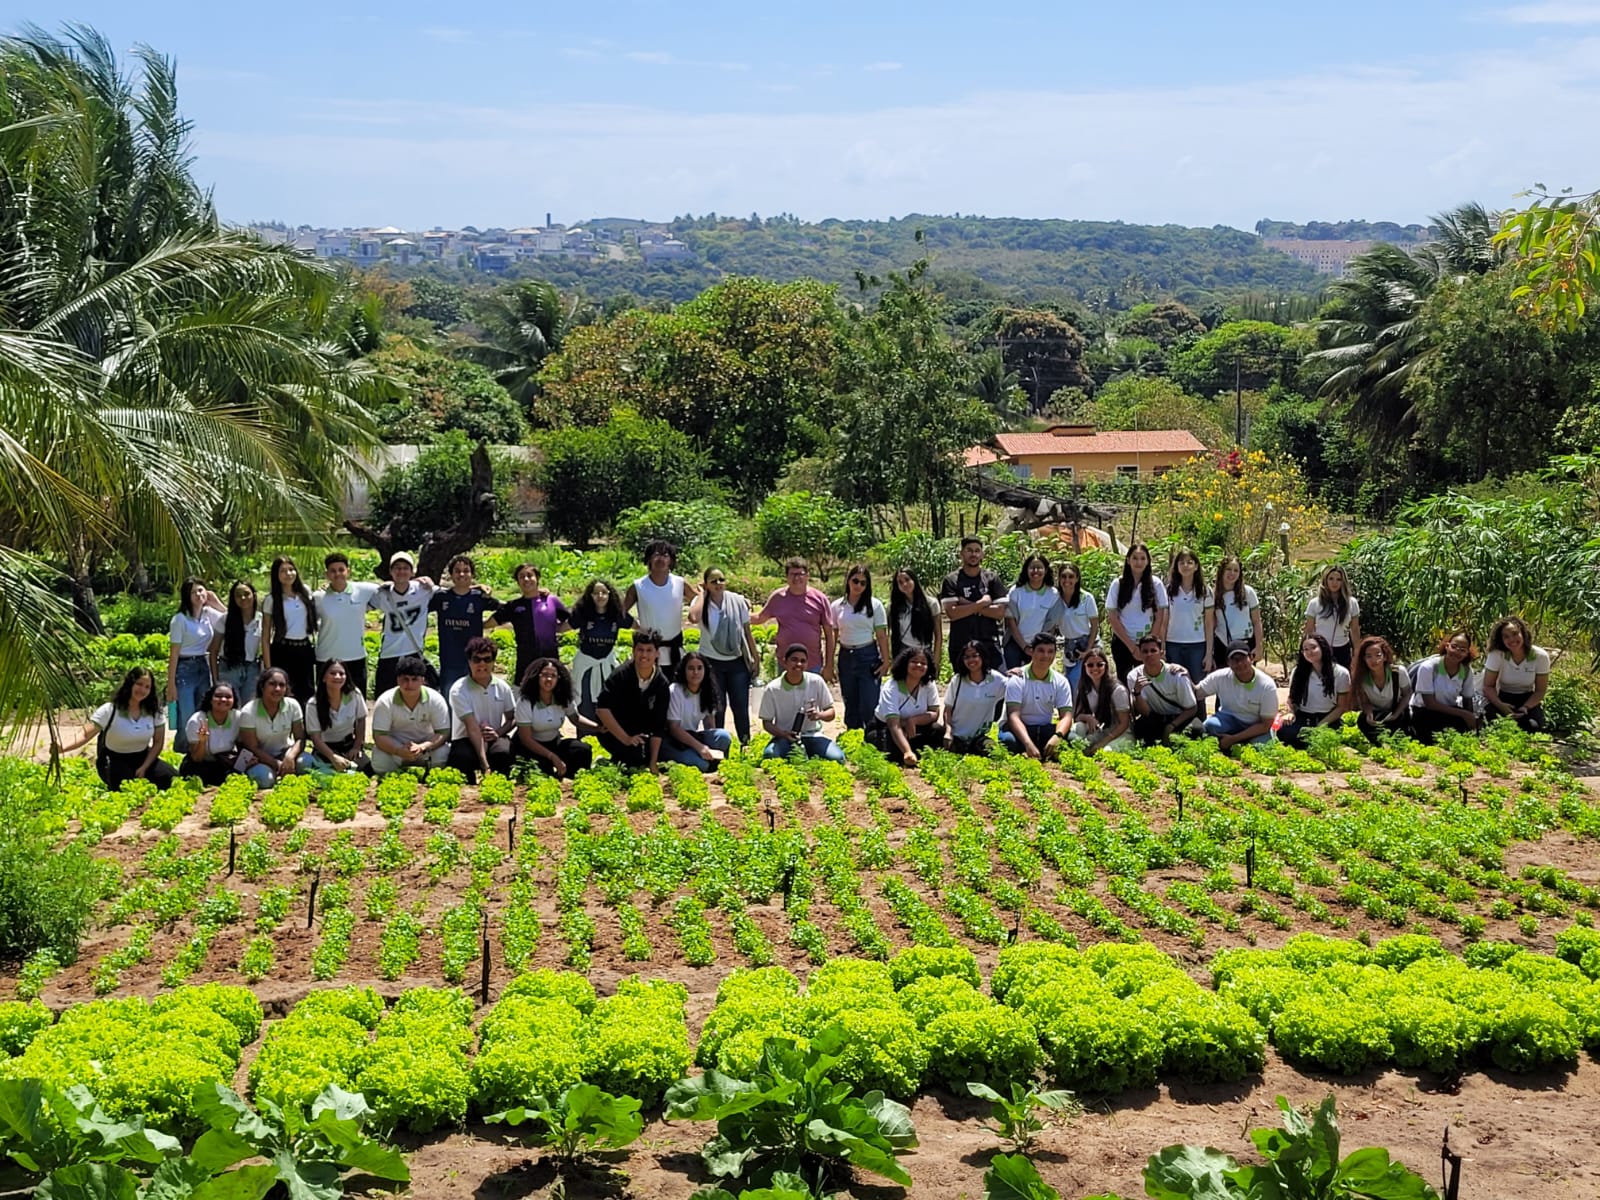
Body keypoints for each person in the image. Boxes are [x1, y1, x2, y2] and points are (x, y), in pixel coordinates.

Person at [52, 667, 176, 791]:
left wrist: (144, 767)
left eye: (147, 687)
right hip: (114, 759)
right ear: (130, 684)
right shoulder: (109, 710)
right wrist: (62, 747)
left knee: (172, 778)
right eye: (139, 684)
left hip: (142, 757)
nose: (142, 690)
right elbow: (85, 734)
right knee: (125, 786)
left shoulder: (154, 712)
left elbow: (158, 742)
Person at [692, 568, 757, 745]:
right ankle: (718, 746)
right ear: (706, 584)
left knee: (740, 706)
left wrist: (755, 658)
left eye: (721, 579)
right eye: (713, 581)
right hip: (711, 662)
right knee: (717, 708)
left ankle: (745, 745)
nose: (718, 584)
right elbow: (692, 617)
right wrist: (701, 595)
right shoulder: (701, 603)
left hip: (736, 662)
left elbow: (746, 632)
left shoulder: (737, 601)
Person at [595, 628, 671, 770]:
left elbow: (659, 724)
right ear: (633, 651)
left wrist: (653, 762)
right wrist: (627, 739)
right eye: (640, 650)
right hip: (614, 732)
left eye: (649, 650)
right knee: (633, 758)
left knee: (652, 755)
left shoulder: (661, 683)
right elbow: (602, 709)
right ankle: (613, 760)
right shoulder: (620, 675)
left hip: (641, 733)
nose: (644, 655)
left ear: (657, 653)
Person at [488, 562, 569, 693]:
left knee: (552, 695)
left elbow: (570, 621)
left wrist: (556, 628)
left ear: (537, 579)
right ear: (518, 582)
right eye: (521, 577)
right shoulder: (514, 606)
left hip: (550, 658)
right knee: (523, 697)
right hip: (525, 661)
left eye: (530, 575)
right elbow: (492, 621)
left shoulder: (551, 601)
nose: (526, 579)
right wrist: (473, 624)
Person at [166, 577, 225, 753]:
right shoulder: (180, 620)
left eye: (201, 590)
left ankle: (200, 750)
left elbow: (230, 619)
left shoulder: (208, 615)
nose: (199, 594)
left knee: (202, 711)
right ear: (186, 596)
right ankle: (183, 752)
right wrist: (170, 684)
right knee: (187, 715)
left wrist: (216, 602)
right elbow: (174, 653)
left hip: (202, 665)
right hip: (184, 668)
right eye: (194, 592)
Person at [447, 636, 518, 782]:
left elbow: (512, 717)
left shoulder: (502, 687)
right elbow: (472, 728)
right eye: (476, 660)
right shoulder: (459, 690)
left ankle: (499, 785)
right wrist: (484, 765)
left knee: (504, 752)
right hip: (466, 738)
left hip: (494, 737)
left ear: (493, 662)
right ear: (469, 661)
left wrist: (498, 733)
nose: (482, 664)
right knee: (462, 757)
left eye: (487, 659)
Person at [759, 643, 844, 761]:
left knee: (838, 758)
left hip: (812, 735)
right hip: (784, 738)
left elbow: (831, 712)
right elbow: (766, 722)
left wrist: (819, 715)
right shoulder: (773, 688)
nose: (798, 664)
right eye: (794, 660)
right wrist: (784, 734)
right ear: (785, 662)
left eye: (802, 661)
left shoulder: (816, 681)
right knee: (770, 756)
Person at [514, 658, 596, 778]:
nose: (549, 679)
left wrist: (598, 727)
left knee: (581, 750)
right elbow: (526, 739)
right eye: (545, 675)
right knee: (543, 769)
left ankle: (571, 779)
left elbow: (575, 719)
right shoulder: (526, 702)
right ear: (536, 677)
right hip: (531, 747)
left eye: (553, 676)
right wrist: (552, 757)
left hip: (553, 742)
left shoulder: (562, 698)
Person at [755, 558, 836, 680]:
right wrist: (738, 608)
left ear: (807, 576)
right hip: (785, 663)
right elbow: (759, 618)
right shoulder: (778, 598)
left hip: (812, 664)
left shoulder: (820, 599)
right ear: (786, 577)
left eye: (800, 574)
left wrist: (829, 665)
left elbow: (829, 635)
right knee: (786, 697)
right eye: (792, 574)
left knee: (811, 699)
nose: (797, 578)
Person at [1190, 642, 1279, 752]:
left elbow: (1266, 724)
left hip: (1256, 725)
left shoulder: (1266, 685)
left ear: (1251, 658)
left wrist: (1233, 739)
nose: (1240, 663)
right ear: (1228, 662)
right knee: (1210, 725)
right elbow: (1197, 693)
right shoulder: (1220, 677)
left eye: (1243, 658)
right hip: (1228, 721)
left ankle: (1234, 743)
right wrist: (1184, 676)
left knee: (1260, 748)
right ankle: (1233, 744)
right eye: (1235, 660)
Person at [832, 565, 891, 730]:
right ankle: (853, 736)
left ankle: (873, 738)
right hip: (845, 655)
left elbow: (881, 635)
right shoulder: (837, 605)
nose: (858, 586)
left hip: (868, 655)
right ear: (848, 580)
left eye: (863, 583)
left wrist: (886, 661)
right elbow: (832, 636)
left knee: (869, 702)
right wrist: (829, 663)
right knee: (850, 701)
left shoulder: (875, 605)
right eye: (855, 581)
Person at [370, 552, 437, 696]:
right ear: (390, 571)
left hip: (413, 651)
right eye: (397, 568)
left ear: (412, 572)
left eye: (405, 568)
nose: (401, 571)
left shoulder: (423, 590)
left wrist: (478, 587)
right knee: (384, 698)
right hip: (389, 652)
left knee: (417, 697)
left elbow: (454, 592)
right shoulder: (382, 594)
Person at [370, 655, 451, 774]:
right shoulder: (385, 701)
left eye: (414, 679)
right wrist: (399, 750)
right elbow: (379, 737)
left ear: (422, 680)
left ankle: (429, 775)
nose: (409, 684)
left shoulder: (435, 699)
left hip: (426, 749)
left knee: (442, 752)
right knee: (379, 759)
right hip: (396, 748)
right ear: (398, 680)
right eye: (405, 679)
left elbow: (443, 733)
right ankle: (393, 778)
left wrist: (422, 747)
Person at [999, 633, 1074, 759]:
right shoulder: (1017, 679)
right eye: (1041, 651)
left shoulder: (1061, 681)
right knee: (1008, 742)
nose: (1046, 656)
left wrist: (1058, 736)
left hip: (1044, 728)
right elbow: (1013, 716)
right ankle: (1031, 749)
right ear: (1031, 652)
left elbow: (1066, 716)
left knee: (1072, 739)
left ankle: (1043, 748)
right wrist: (1028, 743)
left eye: (1050, 651)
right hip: (1020, 729)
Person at [313, 552, 378, 697]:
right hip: (326, 658)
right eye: (333, 571)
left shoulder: (364, 590)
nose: (338, 574)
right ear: (327, 574)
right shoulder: (318, 597)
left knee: (357, 703)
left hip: (355, 656)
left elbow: (391, 587)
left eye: (341, 569)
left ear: (348, 571)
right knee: (326, 703)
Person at [568, 579, 634, 720]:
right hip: (585, 666)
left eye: (604, 592)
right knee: (585, 703)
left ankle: (608, 736)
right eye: (596, 593)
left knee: (609, 702)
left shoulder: (617, 615)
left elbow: (639, 627)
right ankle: (585, 736)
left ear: (610, 595)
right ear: (590, 596)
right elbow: (561, 628)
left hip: (607, 665)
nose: (600, 596)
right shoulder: (582, 614)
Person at [623, 542, 696, 670]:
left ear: (671, 561)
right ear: (649, 559)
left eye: (665, 555)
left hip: (675, 651)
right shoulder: (638, 586)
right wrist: (636, 626)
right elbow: (620, 612)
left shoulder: (680, 583)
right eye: (656, 554)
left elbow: (698, 601)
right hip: (648, 653)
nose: (660, 559)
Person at [430, 554, 494, 698]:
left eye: (466, 571)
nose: (462, 574)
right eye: (457, 571)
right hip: (449, 661)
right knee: (449, 701)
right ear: (451, 575)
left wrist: (486, 624)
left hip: (475, 661)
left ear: (472, 574)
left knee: (476, 701)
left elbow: (505, 609)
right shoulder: (441, 597)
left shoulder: (479, 597)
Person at [940, 537, 1007, 675]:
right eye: (969, 550)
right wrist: (982, 603)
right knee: (965, 688)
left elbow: (999, 612)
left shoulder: (991, 578)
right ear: (961, 554)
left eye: (977, 551)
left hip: (989, 643)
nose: (973, 554)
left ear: (982, 554)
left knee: (999, 686)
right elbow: (952, 613)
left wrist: (966, 605)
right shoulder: (951, 580)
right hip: (961, 645)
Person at [1105, 542, 1169, 685]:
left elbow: (1160, 616)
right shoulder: (1118, 584)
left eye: (1142, 558)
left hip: (1147, 644)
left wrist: (1150, 643)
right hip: (1123, 642)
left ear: (1148, 561)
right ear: (1128, 560)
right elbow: (1113, 617)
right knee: (1125, 681)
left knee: (1147, 682)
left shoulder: (1156, 584)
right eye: (1135, 558)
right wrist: (1132, 648)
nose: (1138, 562)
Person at [871, 647, 945, 766]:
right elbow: (893, 724)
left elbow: (934, 713)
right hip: (887, 728)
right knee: (891, 752)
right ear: (905, 664)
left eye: (923, 663)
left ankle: (913, 751)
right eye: (914, 661)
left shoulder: (929, 684)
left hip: (915, 728)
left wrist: (913, 720)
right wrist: (907, 751)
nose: (919, 665)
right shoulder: (891, 687)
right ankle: (909, 752)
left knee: (938, 731)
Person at [260, 556, 318, 703]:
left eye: (291, 569)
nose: (288, 574)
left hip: (304, 649)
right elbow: (265, 636)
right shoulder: (271, 600)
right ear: (276, 575)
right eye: (283, 571)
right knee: (283, 694)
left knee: (306, 693)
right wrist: (268, 667)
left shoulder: (305, 592)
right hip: (282, 650)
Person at [1277, 634, 1351, 747]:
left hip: (1328, 718)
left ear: (1323, 648)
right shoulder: (1298, 672)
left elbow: (1342, 707)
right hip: (1304, 716)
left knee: (1327, 739)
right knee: (1285, 733)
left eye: (1313, 647)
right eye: (1306, 649)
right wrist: (1290, 713)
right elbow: (1291, 699)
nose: (1310, 652)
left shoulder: (1341, 673)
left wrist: (1320, 726)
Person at [237, 667, 305, 790]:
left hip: (285, 752)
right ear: (262, 687)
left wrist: (290, 757)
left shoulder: (293, 705)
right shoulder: (249, 711)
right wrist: (276, 764)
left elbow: (300, 738)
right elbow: (252, 747)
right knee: (264, 780)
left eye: (281, 685)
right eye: (272, 684)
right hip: (259, 758)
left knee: (306, 763)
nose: (277, 689)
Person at [664, 652, 734, 771]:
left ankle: (713, 763)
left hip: (694, 736)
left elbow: (709, 724)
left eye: (699, 668)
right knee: (701, 764)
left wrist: (712, 749)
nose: (695, 672)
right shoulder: (675, 691)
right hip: (673, 741)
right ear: (684, 670)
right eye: (691, 668)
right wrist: (700, 748)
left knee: (724, 736)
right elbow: (674, 728)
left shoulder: (707, 690)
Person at [1482, 616, 1550, 733]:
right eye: (1506, 637)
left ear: (1523, 633)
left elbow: (1540, 690)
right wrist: (1501, 706)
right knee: (1495, 725)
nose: (1512, 639)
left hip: (1528, 700)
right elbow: (1488, 686)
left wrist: (1525, 708)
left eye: (1515, 634)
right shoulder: (1497, 654)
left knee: (1533, 727)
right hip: (1502, 698)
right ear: (1501, 640)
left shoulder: (1540, 656)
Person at [1127, 636, 1199, 745]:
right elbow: (1145, 712)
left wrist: (1172, 726)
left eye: (1153, 651)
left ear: (1161, 653)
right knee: (1140, 730)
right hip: (1156, 718)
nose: (1149, 655)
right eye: (1145, 651)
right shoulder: (1133, 676)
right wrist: (1137, 693)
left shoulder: (1177, 675)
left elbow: (1192, 708)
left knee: (1196, 730)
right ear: (1140, 654)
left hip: (1180, 717)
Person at [1409, 632, 1479, 743]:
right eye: (1454, 647)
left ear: (1467, 653)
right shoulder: (1429, 667)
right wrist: (1464, 714)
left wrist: (1470, 720)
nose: (1457, 652)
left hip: (1450, 711)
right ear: (1447, 646)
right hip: (1425, 712)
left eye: (1462, 650)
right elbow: (1430, 703)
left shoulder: (1466, 671)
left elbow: (1467, 700)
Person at [301, 659, 369, 775]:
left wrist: (356, 747)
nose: (337, 677)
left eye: (341, 674)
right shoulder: (313, 704)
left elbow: (361, 720)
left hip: (348, 745)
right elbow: (315, 738)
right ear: (324, 678)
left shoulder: (354, 694)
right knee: (328, 775)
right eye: (332, 673)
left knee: (366, 769)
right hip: (325, 749)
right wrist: (333, 757)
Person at [942, 640, 1009, 755]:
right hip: (956, 735)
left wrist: (1017, 672)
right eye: (967, 657)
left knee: (991, 750)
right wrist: (948, 732)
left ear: (982, 656)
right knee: (955, 751)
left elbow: (1014, 689)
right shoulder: (957, 680)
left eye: (975, 656)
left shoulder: (995, 679)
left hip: (979, 736)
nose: (971, 660)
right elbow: (948, 709)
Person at [1068, 648, 1134, 755]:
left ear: (1106, 666)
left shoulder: (1117, 690)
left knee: (1106, 752)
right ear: (1084, 667)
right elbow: (1077, 716)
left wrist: (1102, 743)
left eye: (1099, 665)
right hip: (1102, 730)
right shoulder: (1085, 687)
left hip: (1120, 733)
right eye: (1090, 665)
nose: (1095, 668)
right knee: (1073, 734)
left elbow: (1124, 723)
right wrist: (1088, 717)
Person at [1051, 561, 1101, 694]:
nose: (1067, 580)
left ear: (1077, 578)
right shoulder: (1055, 599)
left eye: (1071, 576)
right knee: (1070, 683)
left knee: (1079, 681)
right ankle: (1075, 713)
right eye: (1064, 576)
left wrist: (1088, 650)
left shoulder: (1086, 598)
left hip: (1087, 642)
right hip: (1069, 646)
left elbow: (1095, 625)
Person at [1208, 555, 1263, 673]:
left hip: (1246, 642)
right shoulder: (1213, 595)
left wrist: (1258, 647)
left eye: (1236, 570)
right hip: (1223, 645)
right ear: (1221, 571)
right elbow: (1211, 625)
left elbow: (1257, 621)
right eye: (1228, 569)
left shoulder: (1248, 592)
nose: (1232, 573)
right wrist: (1209, 653)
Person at [182, 681, 243, 786]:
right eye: (218, 696)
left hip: (224, 762)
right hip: (200, 763)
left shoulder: (238, 718)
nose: (223, 700)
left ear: (234, 700)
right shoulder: (197, 720)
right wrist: (202, 741)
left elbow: (242, 745)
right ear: (210, 699)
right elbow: (197, 758)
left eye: (228, 697)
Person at [1004, 554, 1059, 671]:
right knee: (1014, 679)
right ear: (1026, 570)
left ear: (1046, 570)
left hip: (1039, 646)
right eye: (1032, 567)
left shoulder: (1053, 594)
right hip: (1015, 643)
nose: (1036, 571)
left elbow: (1051, 624)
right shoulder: (1016, 591)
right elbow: (1011, 622)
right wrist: (1024, 646)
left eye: (1039, 567)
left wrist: (1039, 647)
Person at [212, 580, 263, 705]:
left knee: (248, 710)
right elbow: (213, 651)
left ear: (254, 595)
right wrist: (215, 679)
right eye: (238, 595)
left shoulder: (261, 619)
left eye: (246, 594)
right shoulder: (225, 619)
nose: (243, 598)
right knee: (230, 709)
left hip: (252, 670)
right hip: (229, 668)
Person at [1351, 635, 1411, 743]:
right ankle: (1378, 744)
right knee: (1362, 721)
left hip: (1396, 711)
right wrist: (1369, 713)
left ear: (1385, 657)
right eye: (1368, 656)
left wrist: (1395, 714)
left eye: (1378, 655)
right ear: (1363, 659)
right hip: (1377, 713)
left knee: (1402, 722)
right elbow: (1364, 701)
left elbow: (1407, 694)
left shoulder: (1398, 672)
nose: (1374, 660)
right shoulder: (1361, 677)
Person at [1163, 548, 1209, 685]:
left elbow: (1209, 624)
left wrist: (1208, 653)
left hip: (1197, 645)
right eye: (1181, 562)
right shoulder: (1168, 590)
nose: (1185, 566)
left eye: (1190, 562)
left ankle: (1199, 708)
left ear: (1196, 567)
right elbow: (1163, 621)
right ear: (1176, 567)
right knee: (1175, 685)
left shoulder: (1205, 591)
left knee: (1197, 685)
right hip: (1173, 644)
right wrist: (1162, 647)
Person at [1303, 566, 1362, 670]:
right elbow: (1309, 630)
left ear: (1343, 582)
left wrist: (1357, 651)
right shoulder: (1315, 603)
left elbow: (1355, 629)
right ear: (1325, 580)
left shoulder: (1352, 603)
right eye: (1331, 579)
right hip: (1321, 648)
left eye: (1338, 579)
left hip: (1343, 648)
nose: (1334, 583)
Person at [888, 568, 942, 668]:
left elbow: (938, 635)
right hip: (904, 651)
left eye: (907, 580)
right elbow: (893, 633)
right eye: (900, 582)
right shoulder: (894, 607)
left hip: (924, 650)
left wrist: (936, 661)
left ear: (914, 580)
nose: (905, 584)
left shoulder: (931, 603)